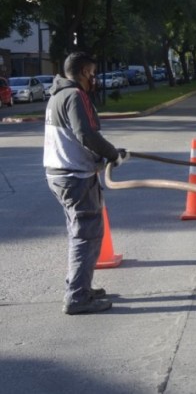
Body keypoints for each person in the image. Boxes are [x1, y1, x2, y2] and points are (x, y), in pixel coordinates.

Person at [44, 52, 127, 315]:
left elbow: (77, 136)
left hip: (61, 174)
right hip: (74, 176)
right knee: (86, 235)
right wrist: (113, 154)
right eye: (91, 72)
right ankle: (78, 297)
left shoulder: (58, 95)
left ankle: (81, 287)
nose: (94, 78)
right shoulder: (74, 96)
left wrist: (106, 155)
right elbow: (85, 134)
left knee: (81, 233)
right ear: (82, 72)